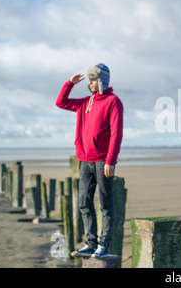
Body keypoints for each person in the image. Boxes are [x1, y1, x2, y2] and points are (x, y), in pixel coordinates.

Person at [56, 63, 124, 258]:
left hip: (103, 161)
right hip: (85, 160)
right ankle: (90, 242)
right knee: (84, 203)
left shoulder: (113, 101)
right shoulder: (85, 102)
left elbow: (116, 133)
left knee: (105, 203)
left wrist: (111, 160)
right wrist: (69, 83)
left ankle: (104, 245)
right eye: (89, 79)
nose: (90, 82)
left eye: (93, 79)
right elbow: (60, 102)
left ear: (102, 80)